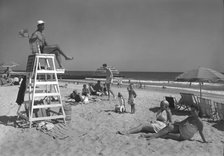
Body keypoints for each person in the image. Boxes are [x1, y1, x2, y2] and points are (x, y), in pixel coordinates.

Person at [140, 105, 208, 143]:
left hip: (184, 136)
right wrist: (174, 123)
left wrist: (205, 141)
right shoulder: (190, 118)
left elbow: (201, 132)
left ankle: (149, 135)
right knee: (169, 127)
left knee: (167, 134)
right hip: (180, 128)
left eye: (194, 111)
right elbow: (181, 123)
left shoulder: (200, 122)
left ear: (198, 111)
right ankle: (153, 136)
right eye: (191, 111)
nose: (192, 112)